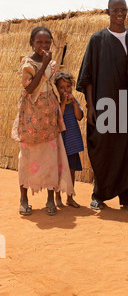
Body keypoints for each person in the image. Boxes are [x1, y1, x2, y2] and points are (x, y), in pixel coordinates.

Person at [76, 0, 128, 213]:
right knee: (102, 149)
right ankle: (99, 194)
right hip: (103, 106)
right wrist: (92, 106)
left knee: (127, 151)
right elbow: (88, 77)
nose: (120, 14)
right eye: (115, 10)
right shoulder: (97, 39)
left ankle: (127, 198)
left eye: (123, 9)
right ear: (108, 12)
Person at [11, 26, 74, 216]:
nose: (43, 46)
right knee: (27, 159)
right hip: (30, 118)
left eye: (47, 42)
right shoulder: (27, 64)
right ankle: (24, 199)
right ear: (31, 43)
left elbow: (52, 86)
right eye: (39, 42)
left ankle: (49, 200)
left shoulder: (53, 65)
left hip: (48, 118)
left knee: (50, 160)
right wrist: (45, 63)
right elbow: (30, 89)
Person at [54, 70, 84, 208]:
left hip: (71, 141)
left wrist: (74, 102)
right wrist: (64, 103)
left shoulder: (74, 102)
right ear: (56, 88)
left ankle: (70, 197)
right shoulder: (56, 103)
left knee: (71, 169)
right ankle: (57, 196)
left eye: (67, 87)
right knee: (59, 170)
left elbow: (79, 116)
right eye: (61, 87)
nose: (65, 90)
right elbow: (59, 118)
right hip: (61, 142)